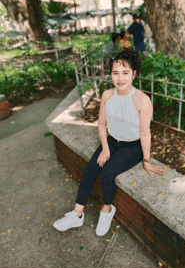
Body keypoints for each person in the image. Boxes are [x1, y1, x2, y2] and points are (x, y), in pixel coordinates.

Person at [53, 47, 165, 237]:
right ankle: (77, 214)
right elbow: (102, 124)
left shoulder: (142, 100)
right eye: (115, 73)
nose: (120, 78)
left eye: (125, 73)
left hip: (133, 146)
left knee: (107, 173)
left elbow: (145, 133)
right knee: (90, 169)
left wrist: (146, 160)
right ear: (110, 74)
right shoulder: (107, 95)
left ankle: (106, 210)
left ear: (134, 74)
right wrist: (105, 148)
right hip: (112, 142)